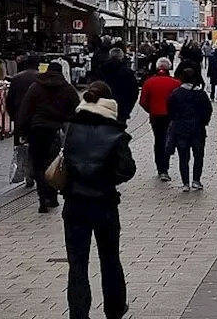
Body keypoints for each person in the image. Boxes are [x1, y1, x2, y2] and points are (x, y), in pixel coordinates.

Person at [60, 84, 136, 319]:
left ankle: (79, 313)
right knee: (110, 259)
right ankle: (114, 309)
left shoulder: (71, 127)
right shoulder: (115, 133)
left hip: (75, 204)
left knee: (77, 264)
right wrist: (107, 177)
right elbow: (127, 169)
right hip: (104, 204)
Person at [17, 62, 79, 213]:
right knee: (53, 164)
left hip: (37, 130)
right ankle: (52, 196)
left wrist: (22, 131)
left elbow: (25, 109)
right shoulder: (67, 88)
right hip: (56, 131)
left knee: (38, 164)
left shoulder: (36, 87)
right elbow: (76, 110)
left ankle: (42, 197)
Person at [167, 66, 212, 192]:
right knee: (198, 155)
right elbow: (208, 110)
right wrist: (204, 122)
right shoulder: (201, 94)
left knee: (183, 156)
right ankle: (196, 180)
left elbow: (170, 111)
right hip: (198, 129)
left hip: (181, 129)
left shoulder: (176, 94)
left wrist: (176, 120)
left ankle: (185, 182)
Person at [139, 58, 181, 181]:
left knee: (159, 141)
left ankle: (160, 168)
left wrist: (150, 110)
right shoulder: (175, 83)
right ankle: (165, 167)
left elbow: (143, 102)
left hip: (156, 116)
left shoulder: (149, 82)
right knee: (168, 141)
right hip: (170, 117)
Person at [99, 48, 140, 124]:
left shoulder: (102, 70)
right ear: (122, 57)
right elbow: (134, 92)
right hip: (122, 107)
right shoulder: (127, 73)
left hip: (104, 107)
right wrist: (128, 108)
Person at [4, 55, 41, 132]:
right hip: (37, 116)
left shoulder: (16, 78)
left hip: (19, 114)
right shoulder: (42, 78)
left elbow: (10, 99)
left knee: (18, 140)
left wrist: (12, 115)